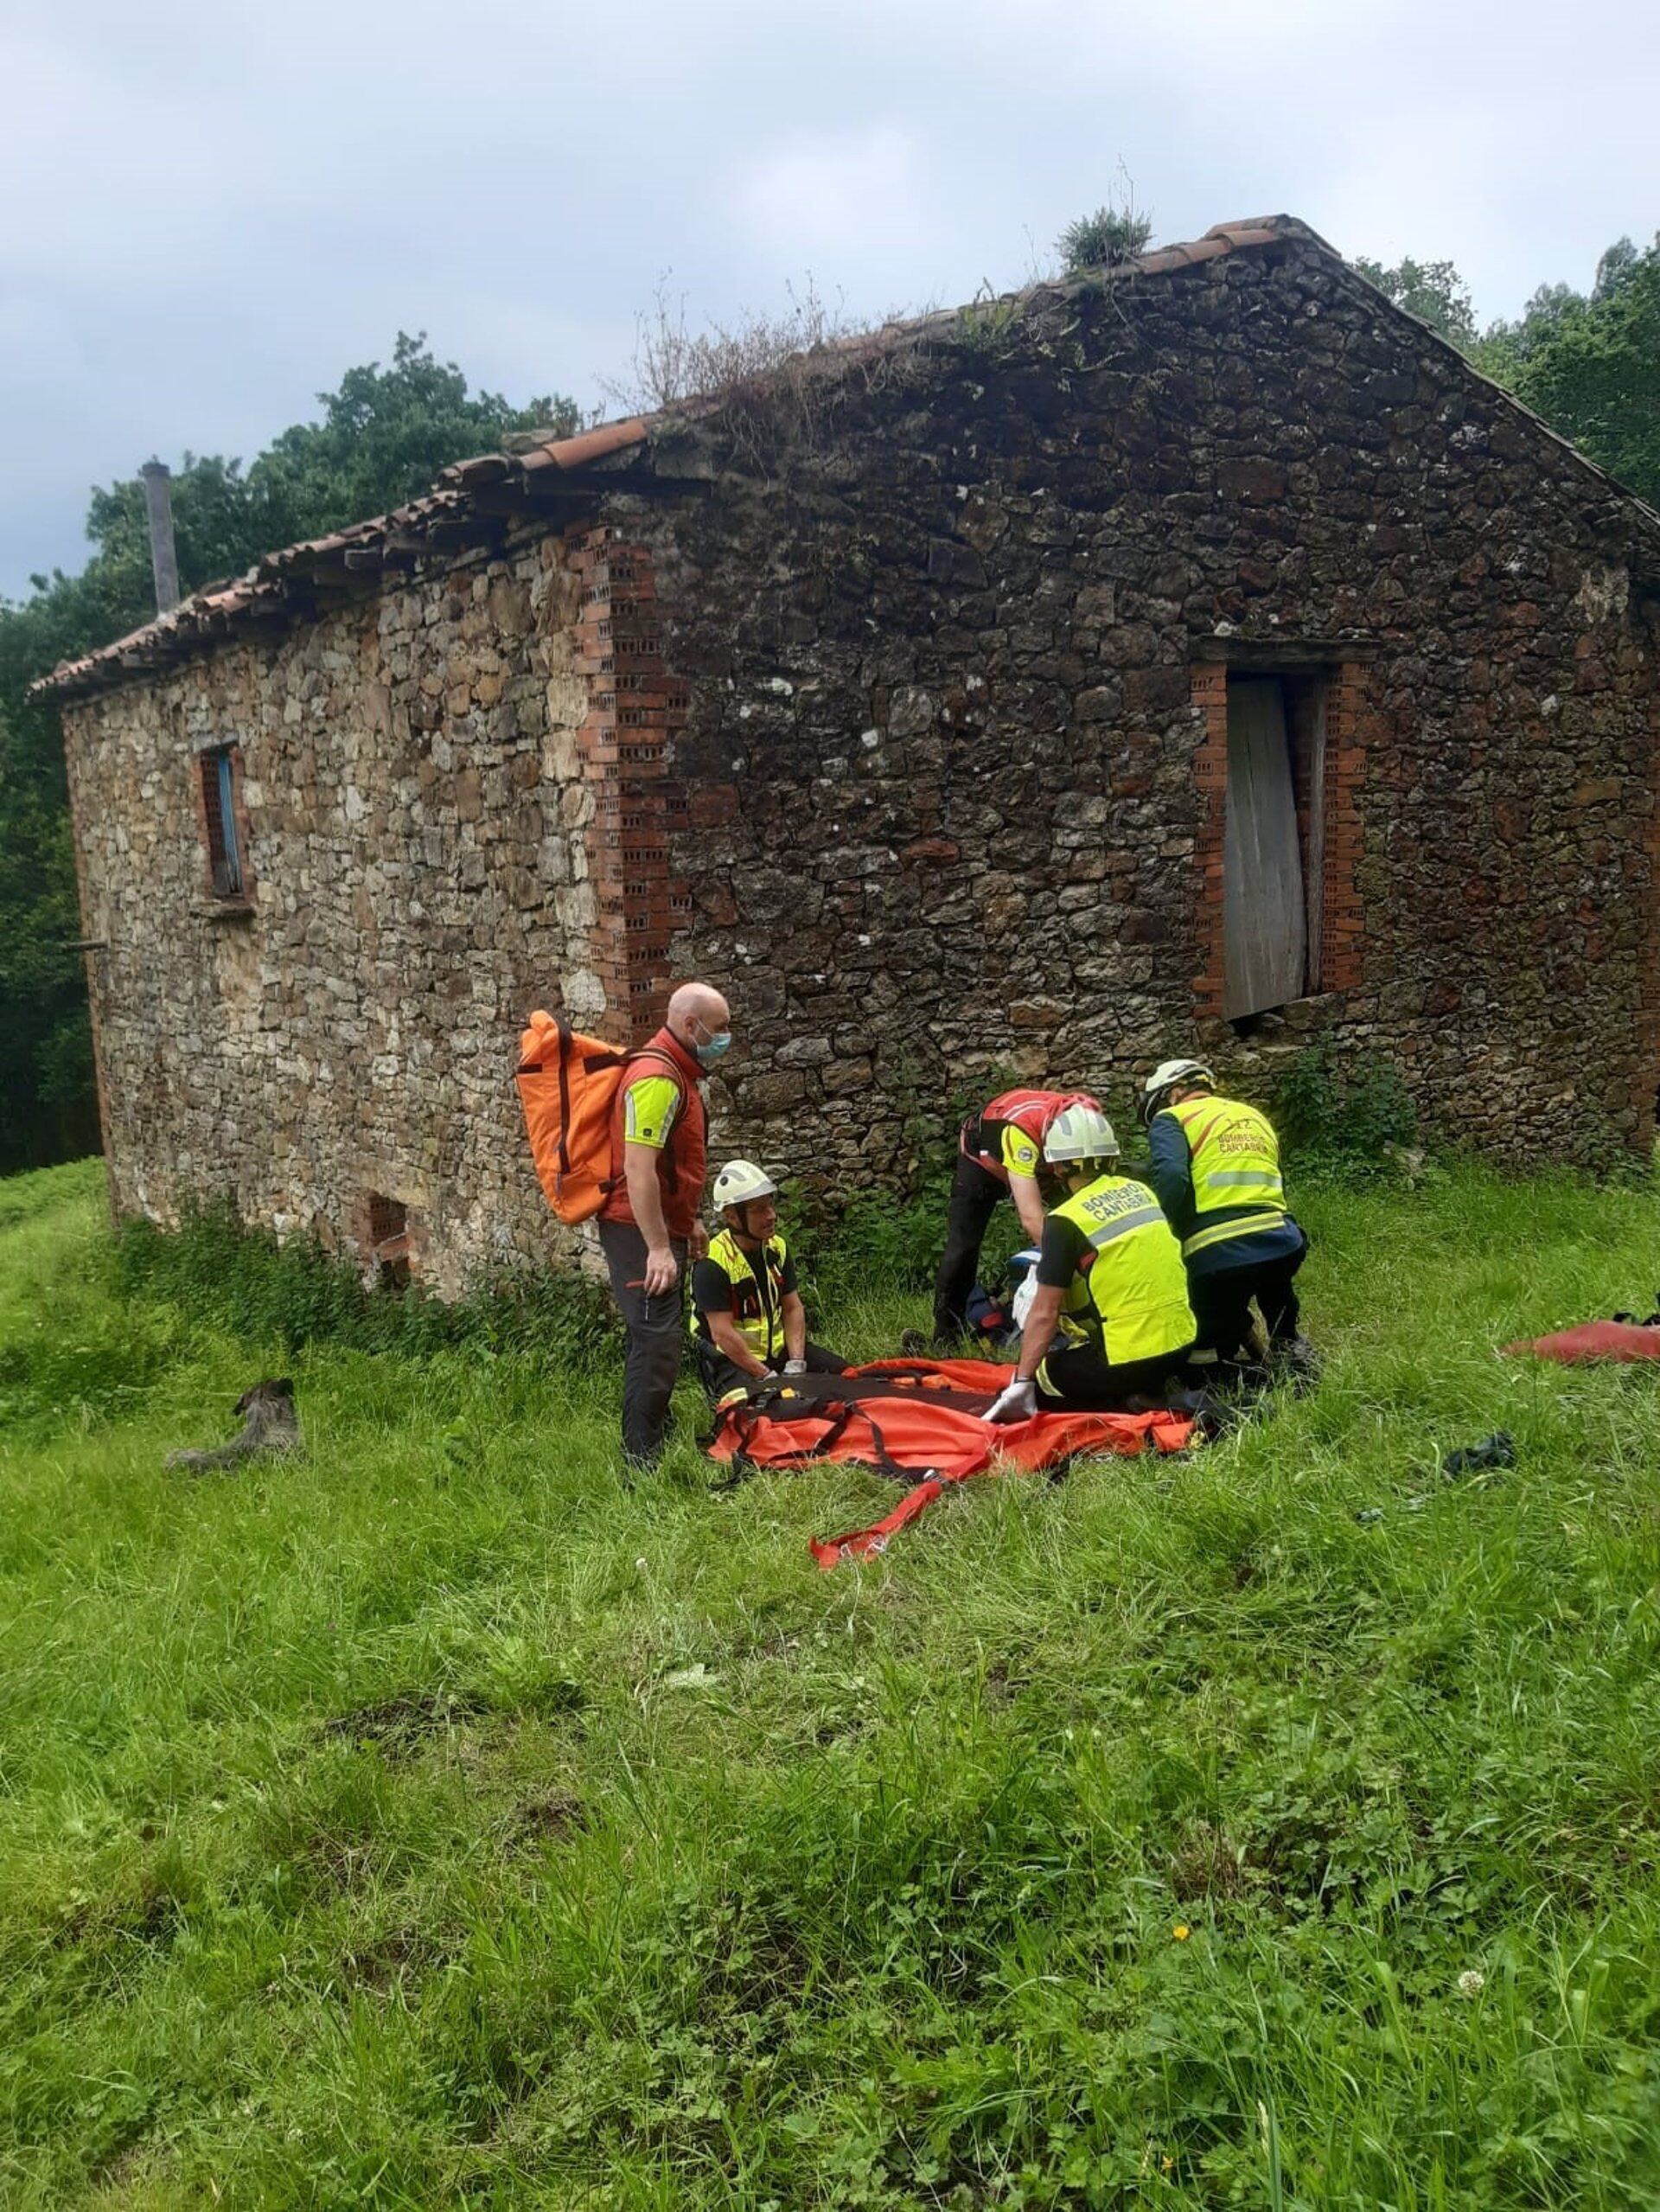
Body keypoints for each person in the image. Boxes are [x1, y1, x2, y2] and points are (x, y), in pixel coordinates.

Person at [987, 1103, 1196, 1422]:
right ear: (1112, 1157)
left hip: (1128, 1358)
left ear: (1056, 1167)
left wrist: (1023, 1380)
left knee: (1045, 1382)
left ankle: (1130, 1404)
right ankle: (1144, 1390)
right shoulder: (1142, 1191)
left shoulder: (1064, 1220)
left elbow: (1045, 1313)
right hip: (1181, 1347)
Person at [595, 981, 731, 1467]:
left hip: (655, 1225)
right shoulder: (657, 1078)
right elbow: (639, 1167)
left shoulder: (678, 1071)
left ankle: (653, 1427)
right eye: (719, 1029)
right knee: (656, 1336)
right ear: (689, 1025)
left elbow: (675, 1164)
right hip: (635, 1228)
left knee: (658, 1333)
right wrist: (656, 1246)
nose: (725, 1038)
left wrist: (687, 1222)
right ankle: (641, 1459)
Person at [1140, 1057, 1313, 1375]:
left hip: (1216, 1254)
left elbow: (1173, 1179)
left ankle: (1219, 1371)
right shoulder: (1252, 1116)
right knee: (1275, 1287)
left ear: (1175, 1091)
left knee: (1207, 1330)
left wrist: (1163, 1230)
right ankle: (1288, 1343)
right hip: (1282, 1240)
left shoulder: (1172, 1118)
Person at [932, 1086, 1101, 1345]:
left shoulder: (1087, 1120)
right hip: (983, 1158)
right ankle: (947, 1332)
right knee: (963, 1245)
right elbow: (1032, 1219)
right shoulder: (1019, 1133)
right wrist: (1073, 1264)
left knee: (1069, 1217)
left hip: (1040, 1151)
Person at [690, 1160, 851, 1402]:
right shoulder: (712, 1263)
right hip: (732, 1362)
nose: (772, 1216)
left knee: (850, 1378)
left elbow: (792, 1307)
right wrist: (766, 1375)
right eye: (759, 1210)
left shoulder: (777, 1248)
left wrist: (796, 1363)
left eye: (770, 1206)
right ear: (732, 1217)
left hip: (779, 1352)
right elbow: (721, 1334)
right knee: (763, 1410)